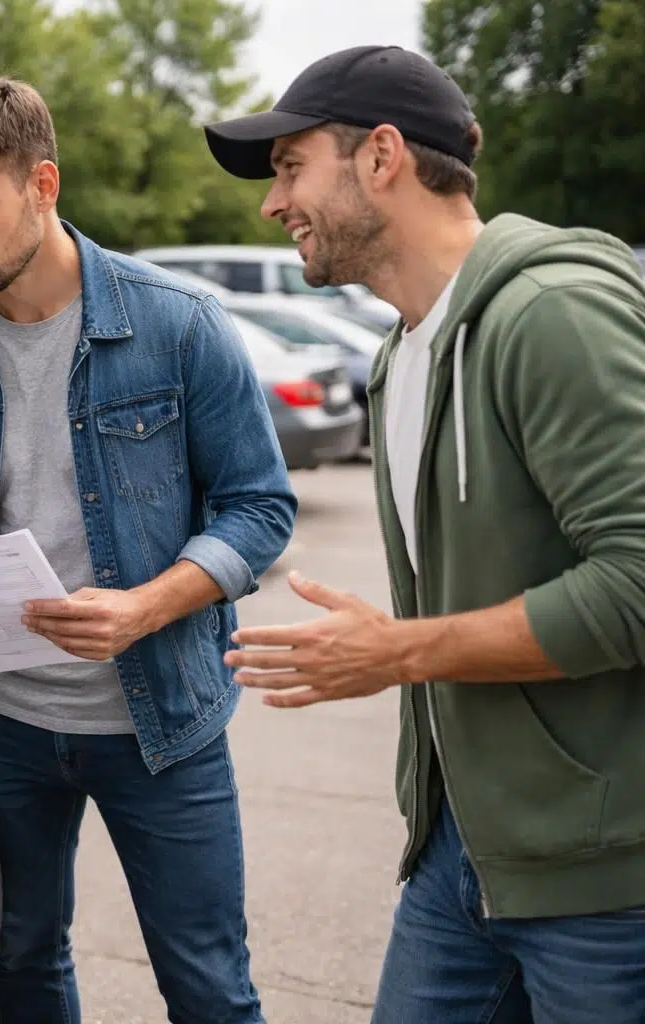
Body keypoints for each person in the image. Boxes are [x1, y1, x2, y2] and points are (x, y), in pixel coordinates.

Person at [204, 44, 645, 1022]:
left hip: (607, 885)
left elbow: (637, 581)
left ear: (382, 157)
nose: (274, 204)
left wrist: (395, 651)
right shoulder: (397, 361)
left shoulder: (551, 314)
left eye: (288, 166)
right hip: (459, 854)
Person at [0, 70, 297, 1024]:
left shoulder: (179, 326)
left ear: (43, 185)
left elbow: (259, 509)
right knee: (19, 963)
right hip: (2, 725)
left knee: (209, 988)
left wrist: (145, 606)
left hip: (161, 725)